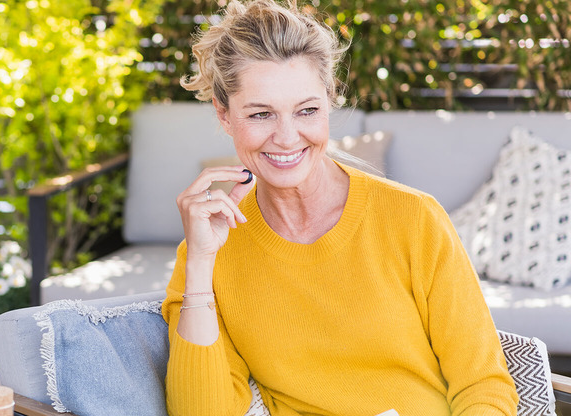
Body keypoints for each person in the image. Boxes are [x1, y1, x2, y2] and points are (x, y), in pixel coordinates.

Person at [161, 1, 519, 414]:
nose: (287, 137)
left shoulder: (414, 219)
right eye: (261, 114)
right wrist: (202, 265)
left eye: (307, 110)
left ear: (331, 100)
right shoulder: (209, 251)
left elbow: (484, 386)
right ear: (224, 116)